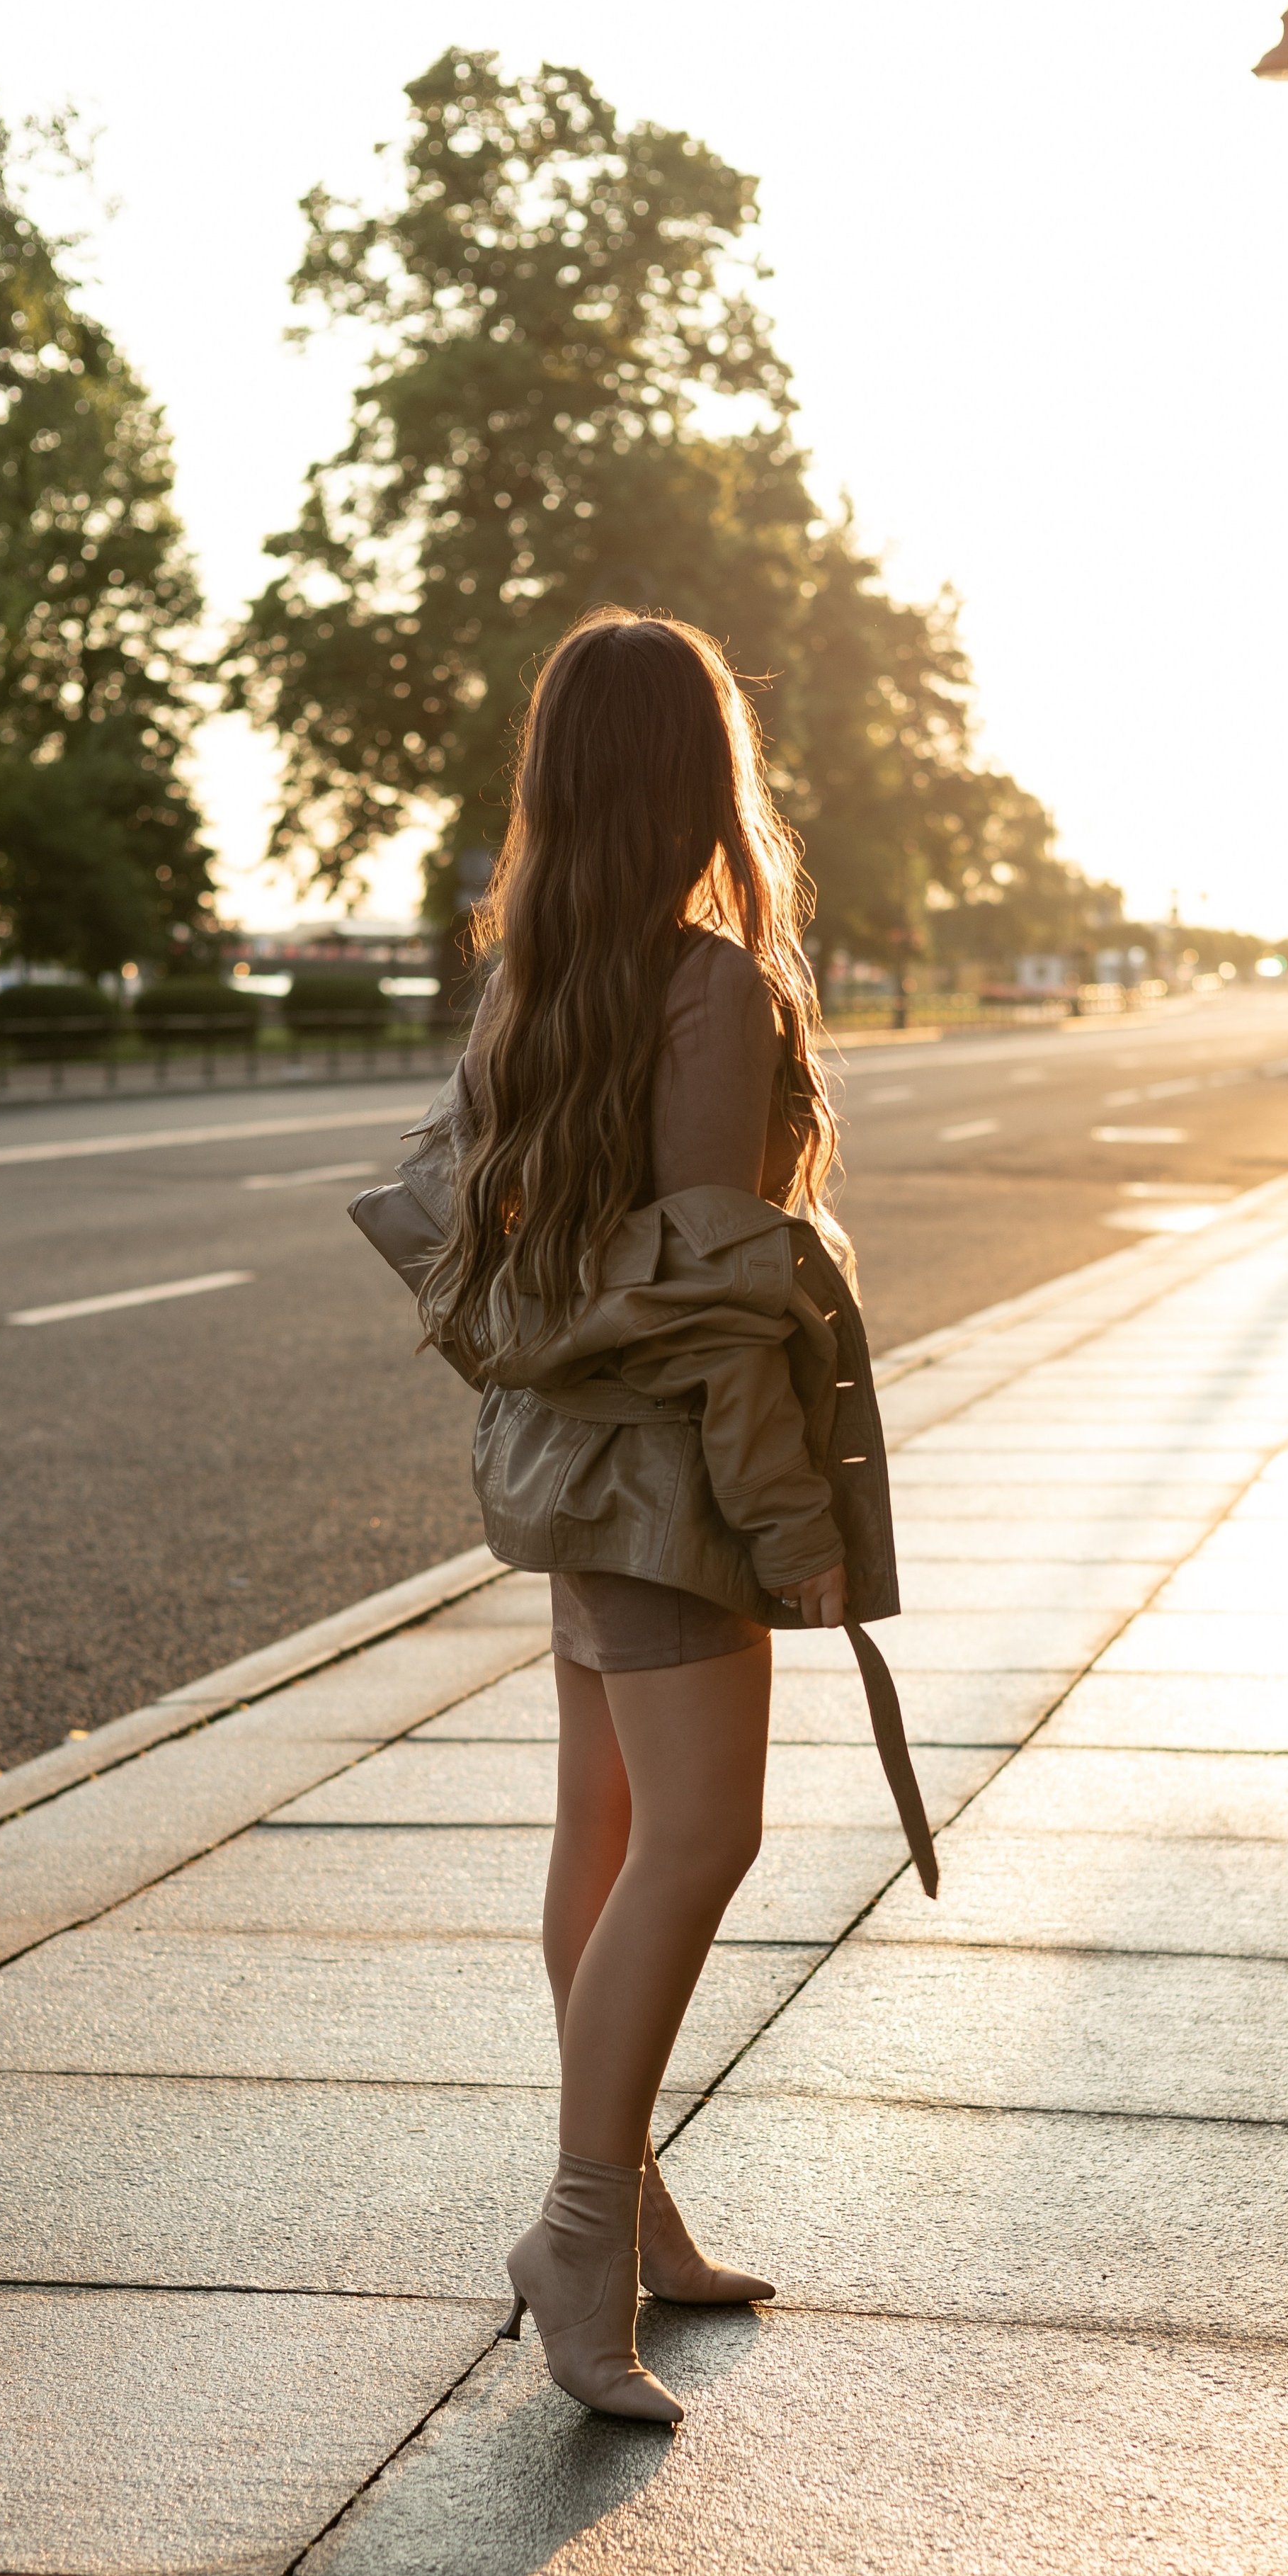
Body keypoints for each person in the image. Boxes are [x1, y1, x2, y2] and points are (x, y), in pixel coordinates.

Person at [351, 608, 921, 2425]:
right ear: (701, 774)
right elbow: (721, 1303)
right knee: (697, 1839)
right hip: (670, 1478)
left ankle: (631, 2204)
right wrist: (793, 1527)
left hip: (564, 1461)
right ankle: (578, 2235)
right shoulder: (706, 984)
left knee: (602, 1828)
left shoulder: (536, 974)